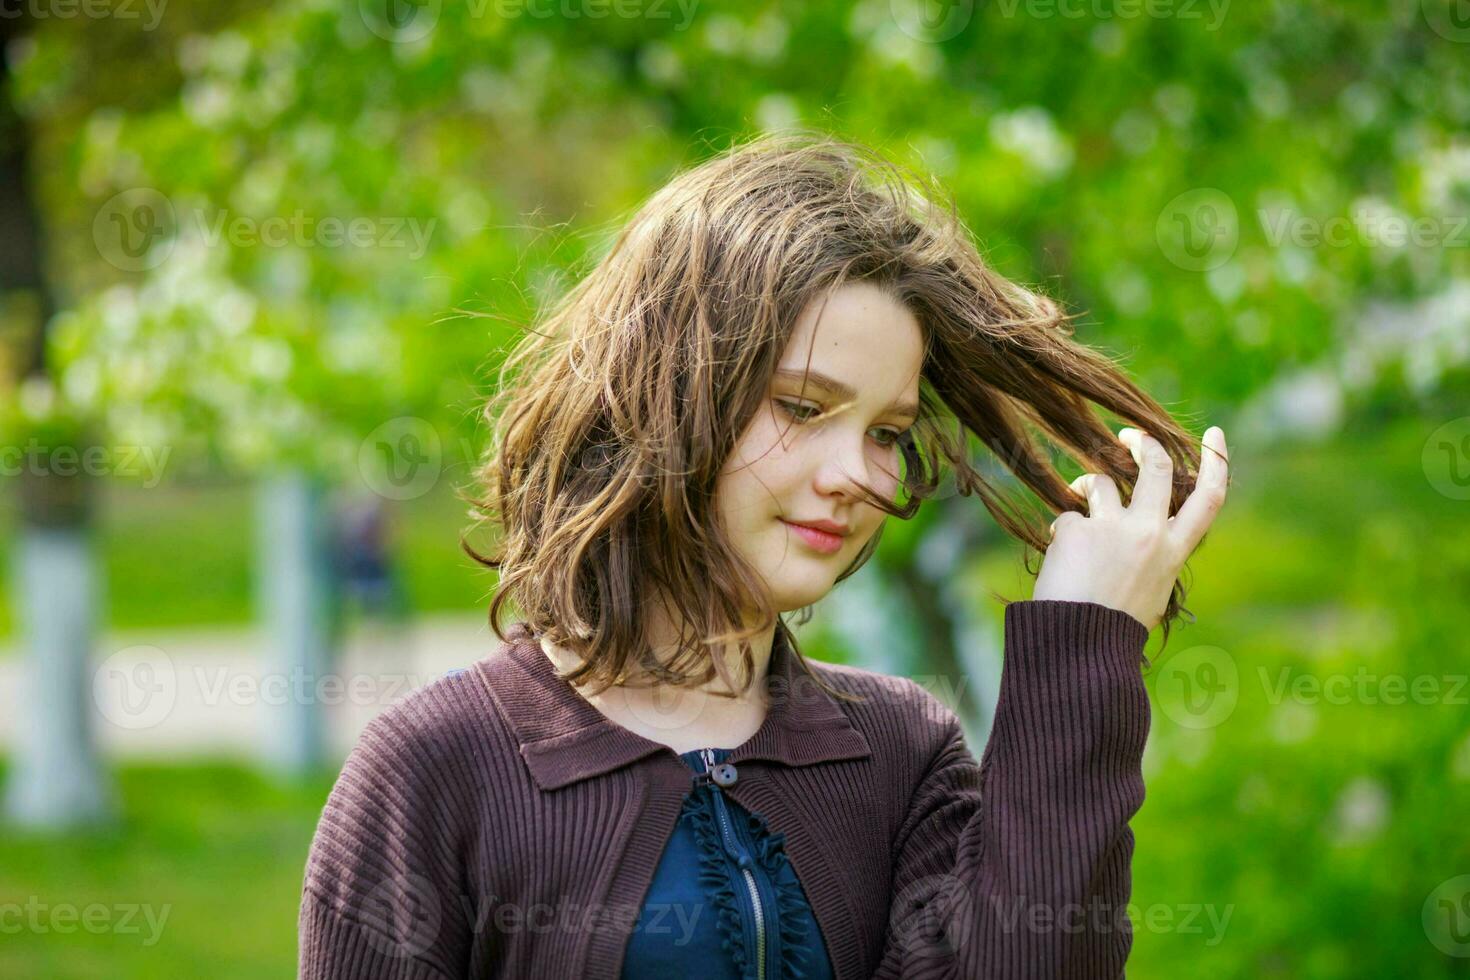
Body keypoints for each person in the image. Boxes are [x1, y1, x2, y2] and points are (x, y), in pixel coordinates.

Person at [297, 131, 1230, 979]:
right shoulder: (437, 771)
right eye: (803, 406)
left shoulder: (902, 756)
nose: (858, 475)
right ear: (665, 395)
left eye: (888, 430)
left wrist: (1081, 645)